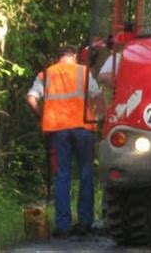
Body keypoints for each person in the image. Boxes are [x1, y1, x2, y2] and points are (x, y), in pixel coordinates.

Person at [26, 46, 104, 238]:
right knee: (86, 174)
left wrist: (41, 118)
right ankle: (85, 223)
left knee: (62, 176)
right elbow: (98, 97)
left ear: (58, 58)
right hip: (83, 129)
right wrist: (101, 120)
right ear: (74, 57)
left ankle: (63, 226)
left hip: (57, 131)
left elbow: (31, 98)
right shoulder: (83, 72)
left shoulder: (46, 74)